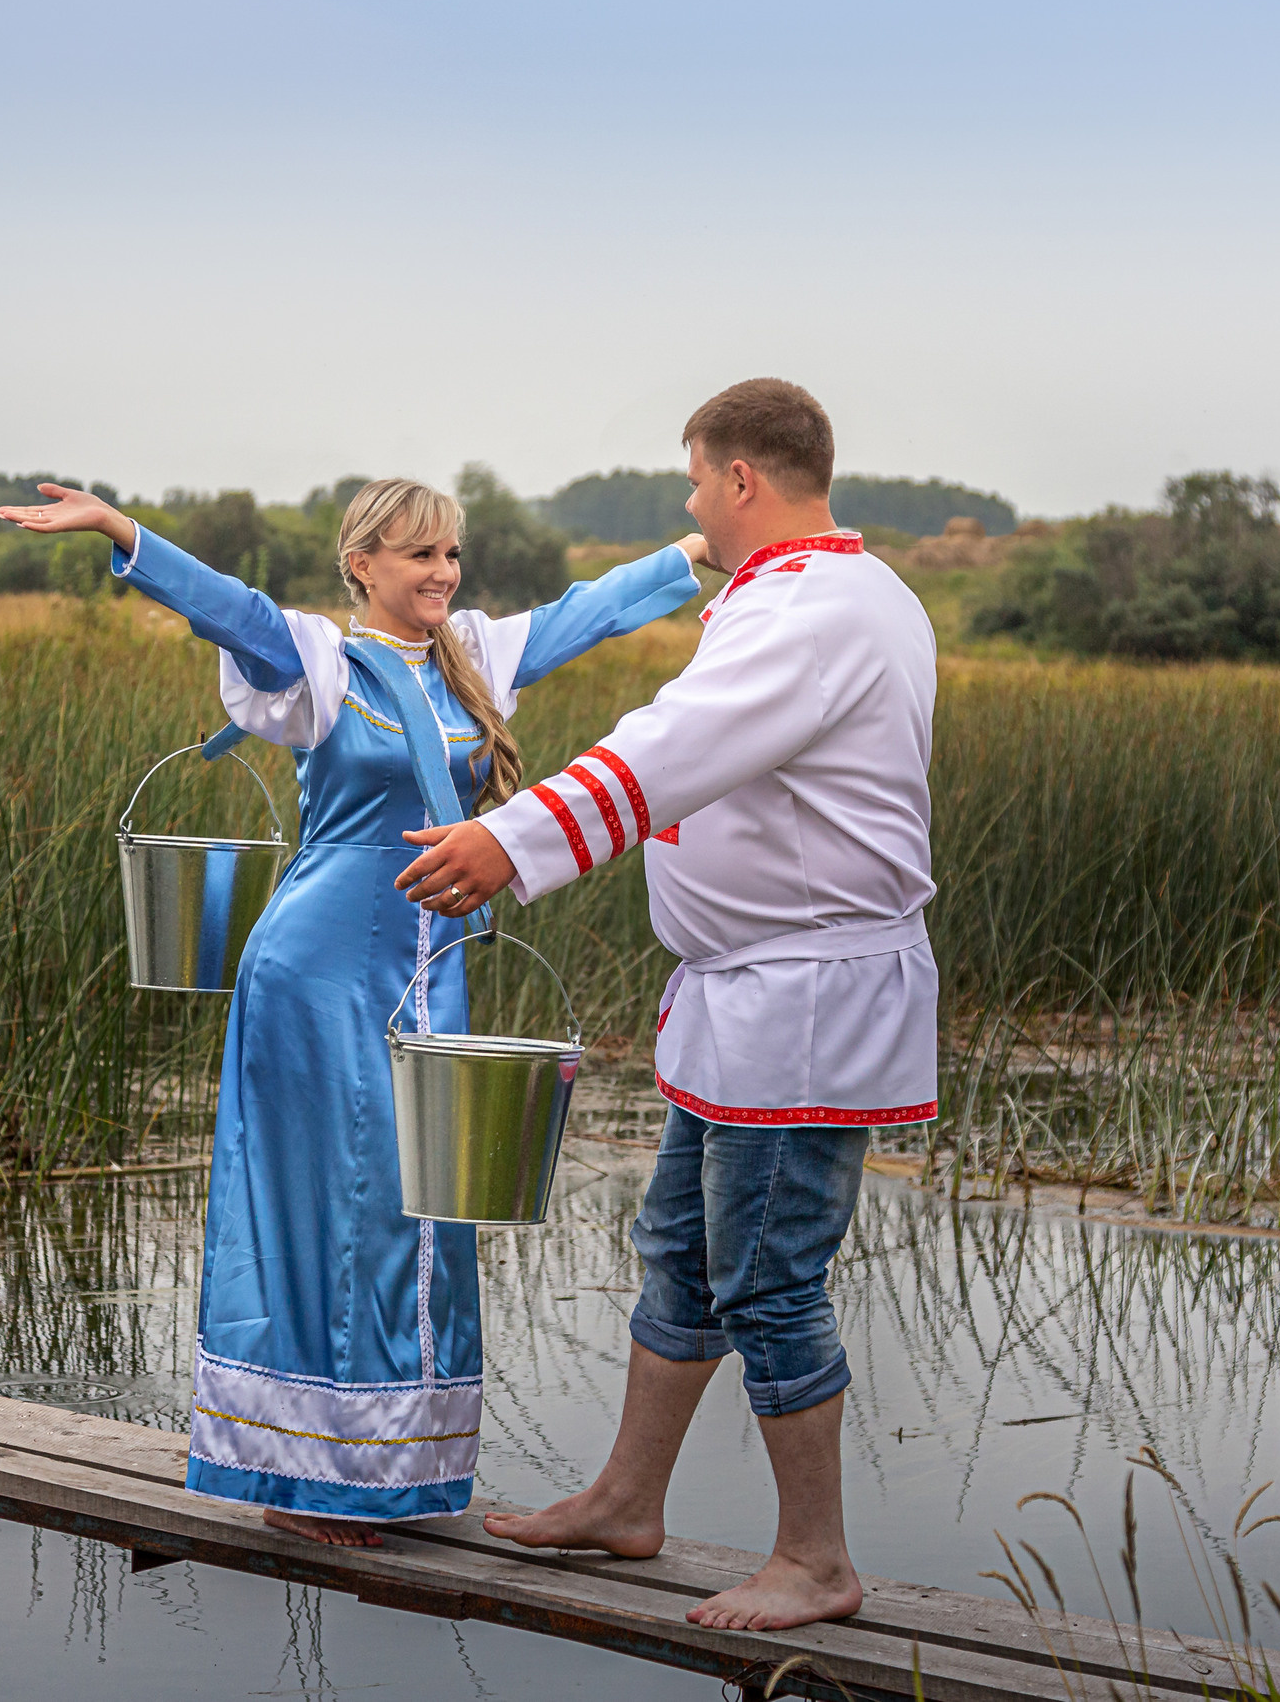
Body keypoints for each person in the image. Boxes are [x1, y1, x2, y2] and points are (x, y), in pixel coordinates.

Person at [0, 478, 702, 1545]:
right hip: (317, 971)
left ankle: (389, 1467)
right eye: (419, 556)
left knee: (422, 1208)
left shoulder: (472, 655)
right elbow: (225, 607)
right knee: (328, 1205)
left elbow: (587, 612)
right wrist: (118, 530)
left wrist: (700, 549)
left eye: (451, 554)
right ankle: (299, 1479)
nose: (443, 574)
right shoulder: (321, 661)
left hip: (429, 966)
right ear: (361, 562)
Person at [392, 379, 938, 1630]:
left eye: (697, 481)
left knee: (767, 1280)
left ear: (741, 478)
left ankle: (815, 1560)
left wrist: (507, 841)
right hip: (751, 997)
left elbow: (671, 741)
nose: (692, 503)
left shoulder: (815, 608)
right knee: (682, 1255)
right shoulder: (848, 592)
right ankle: (628, 1502)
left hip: (802, 1003)